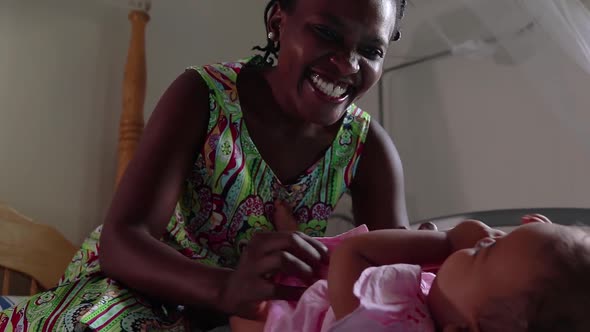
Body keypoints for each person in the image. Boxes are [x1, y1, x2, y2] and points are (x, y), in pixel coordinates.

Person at [0, 0, 449, 331]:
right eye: (328, 34)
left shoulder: (368, 148)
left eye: (370, 51)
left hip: (248, 318)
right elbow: (123, 242)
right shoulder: (203, 96)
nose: (348, 63)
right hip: (137, 293)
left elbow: (391, 283)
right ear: (278, 22)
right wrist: (227, 287)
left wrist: (446, 252)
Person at [231, 217, 590, 332]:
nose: (483, 239)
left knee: (251, 302)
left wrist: (444, 242)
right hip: (329, 303)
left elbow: (355, 255)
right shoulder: (456, 307)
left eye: (484, 252)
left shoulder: (389, 324)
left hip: (284, 323)